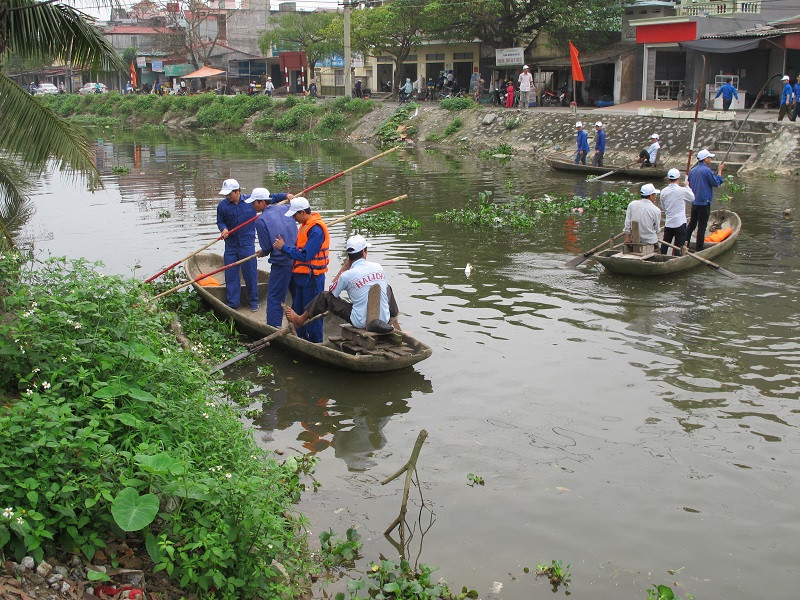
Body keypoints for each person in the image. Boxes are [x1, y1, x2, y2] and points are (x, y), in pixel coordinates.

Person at [284, 234, 399, 335]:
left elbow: (331, 292)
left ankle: (299, 320)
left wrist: (345, 267)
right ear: (364, 252)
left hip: (360, 322)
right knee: (387, 287)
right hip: (384, 318)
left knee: (324, 296)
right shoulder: (378, 267)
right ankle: (393, 320)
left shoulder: (347, 275)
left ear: (349, 256)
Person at [273, 197, 329, 343]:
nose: (294, 218)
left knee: (312, 312)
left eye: (295, 215)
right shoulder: (305, 225)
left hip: (313, 277)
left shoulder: (316, 230)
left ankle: (316, 342)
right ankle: (302, 339)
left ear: (303, 212)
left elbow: (305, 255)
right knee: (297, 310)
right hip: (302, 277)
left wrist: (284, 247)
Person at [251, 188, 297, 328]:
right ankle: (301, 324)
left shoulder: (261, 221)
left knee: (275, 297)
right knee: (298, 295)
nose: (252, 205)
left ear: (262, 203)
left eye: (254, 202)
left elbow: (267, 247)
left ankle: (273, 327)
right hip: (298, 259)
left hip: (281, 263)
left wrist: (263, 252)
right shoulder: (286, 207)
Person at [216, 178, 260, 312]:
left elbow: (269, 199)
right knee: (231, 275)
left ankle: (253, 302)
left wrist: (285, 196)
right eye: (226, 195)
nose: (228, 196)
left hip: (246, 245)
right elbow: (220, 222)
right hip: (231, 246)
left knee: (250, 274)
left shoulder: (251, 201)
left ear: (238, 191)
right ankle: (233, 304)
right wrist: (223, 229)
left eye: (230, 194)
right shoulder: (222, 206)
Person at [686, 149, 725, 252]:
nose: (710, 159)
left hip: (694, 202)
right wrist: (720, 171)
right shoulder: (707, 171)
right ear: (705, 159)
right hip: (704, 202)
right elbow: (716, 183)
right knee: (702, 227)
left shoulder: (692, 171)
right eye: (709, 158)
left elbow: (689, 184)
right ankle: (699, 249)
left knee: (692, 225)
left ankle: (685, 244)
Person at [659, 168, 694, 255]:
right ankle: (675, 259)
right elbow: (692, 198)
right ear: (679, 179)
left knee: (665, 244)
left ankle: (661, 257)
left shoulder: (663, 191)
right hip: (680, 222)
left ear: (668, 179)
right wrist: (687, 186)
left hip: (669, 222)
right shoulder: (682, 190)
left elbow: (663, 207)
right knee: (679, 246)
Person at [624, 183, 662, 253]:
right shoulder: (656, 210)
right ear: (651, 196)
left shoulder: (632, 204)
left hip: (634, 240)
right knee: (659, 252)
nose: (655, 196)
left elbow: (627, 224)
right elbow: (656, 229)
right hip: (650, 241)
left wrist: (627, 238)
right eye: (654, 195)